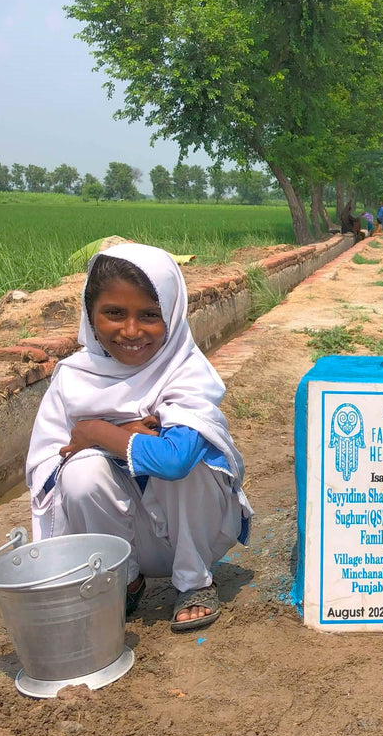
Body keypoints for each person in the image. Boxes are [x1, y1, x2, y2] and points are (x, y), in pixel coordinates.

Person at [26, 244, 253, 632]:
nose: (131, 331)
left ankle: (194, 581)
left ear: (172, 315)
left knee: (193, 465)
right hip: (113, 541)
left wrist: (98, 432)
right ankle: (125, 582)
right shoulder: (74, 379)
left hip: (190, 536)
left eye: (150, 315)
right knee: (80, 472)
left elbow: (175, 458)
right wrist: (122, 437)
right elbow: (48, 470)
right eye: (114, 313)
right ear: (90, 315)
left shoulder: (185, 372)